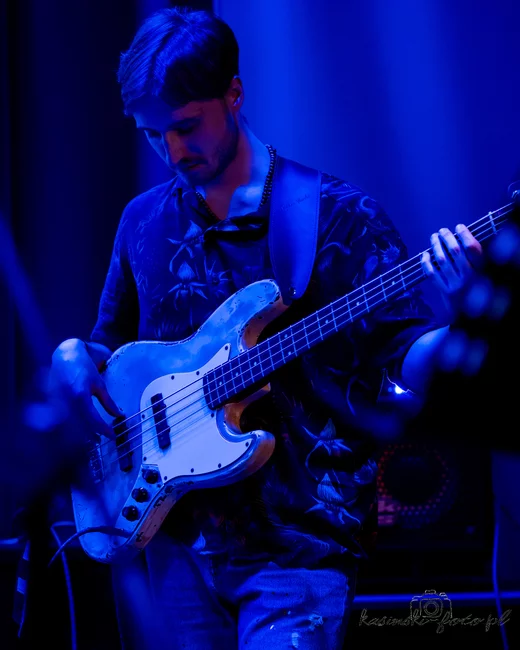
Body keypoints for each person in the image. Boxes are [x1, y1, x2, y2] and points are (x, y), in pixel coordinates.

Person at [49, 7, 483, 650]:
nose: (172, 152)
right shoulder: (141, 221)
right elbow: (111, 350)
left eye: (186, 126)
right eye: (152, 134)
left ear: (234, 93)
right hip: (171, 542)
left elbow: (402, 365)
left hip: (296, 550)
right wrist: (70, 354)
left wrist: (465, 315)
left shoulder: (338, 217)